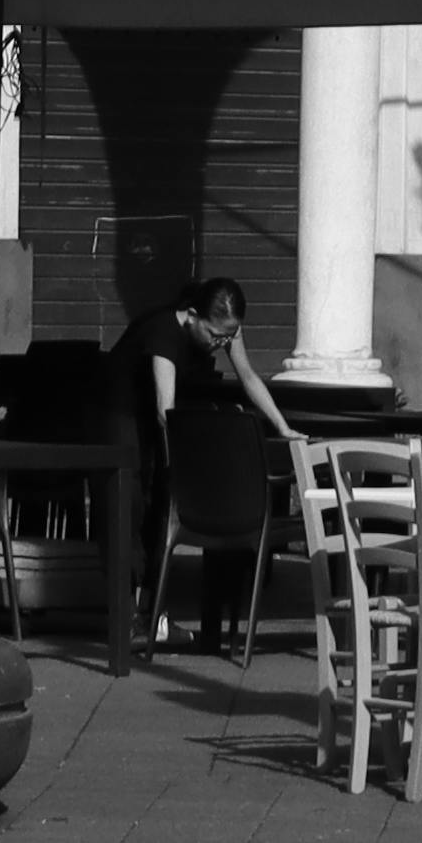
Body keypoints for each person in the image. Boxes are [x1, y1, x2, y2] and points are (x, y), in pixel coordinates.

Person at [149, 276, 297, 652]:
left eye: (228, 337)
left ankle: (218, 624)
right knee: (151, 510)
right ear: (194, 316)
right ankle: (148, 613)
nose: (221, 344)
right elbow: (166, 410)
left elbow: (247, 376)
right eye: (216, 336)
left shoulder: (227, 332)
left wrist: (282, 426)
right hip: (144, 426)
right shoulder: (166, 332)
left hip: (189, 430)